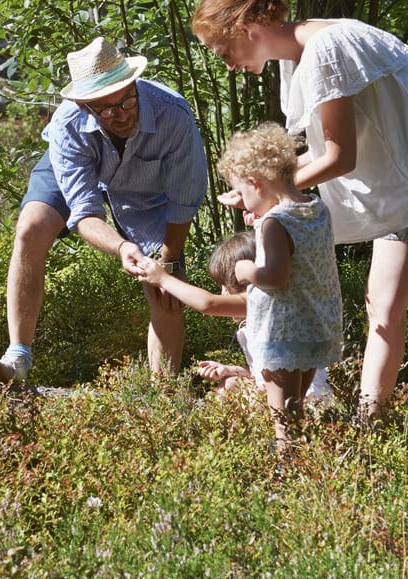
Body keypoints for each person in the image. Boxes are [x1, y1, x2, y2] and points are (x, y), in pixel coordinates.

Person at [191, 0, 408, 434]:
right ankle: (368, 424)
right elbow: (326, 151)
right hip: (398, 186)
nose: (228, 64)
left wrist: (272, 194)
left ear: (246, 29)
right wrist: (264, 188)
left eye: (224, 51)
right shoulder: (297, 58)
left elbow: (339, 156)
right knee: (381, 306)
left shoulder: (326, 48)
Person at [0, 36, 208, 384]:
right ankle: (17, 359)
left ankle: (164, 396)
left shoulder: (172, 114)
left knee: (168, 285)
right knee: (31, 227)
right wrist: (121, 247)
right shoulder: (67, 126)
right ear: (86, 106)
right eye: (107, 108)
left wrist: (168, 258)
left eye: (128, 99)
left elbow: (183, 198)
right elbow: (85, 213)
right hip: (79, 168)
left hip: (147, 192)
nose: (122, 113)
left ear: (133, 83)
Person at [141, 124, 343, 448]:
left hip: (284, 338)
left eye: (243, 193)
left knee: (285, 426)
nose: (243, 204)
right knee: (295, 412)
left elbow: (274, 277)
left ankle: (285, 475)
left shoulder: (275, 224)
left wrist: (248, 271)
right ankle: (305, 467)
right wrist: (259, 212)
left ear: (256, 183)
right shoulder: (315, 210)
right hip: (317, 330)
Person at [139, 230, 334, 400]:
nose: (223, 293)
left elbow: (208, 304)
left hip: (308, 400)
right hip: (290, 393)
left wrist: (163, 279)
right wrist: (231, 370)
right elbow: (265, 375)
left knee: (227, 392)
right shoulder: (255, 320)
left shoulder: (265, 303)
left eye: (226, 286)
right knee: (231, 382)